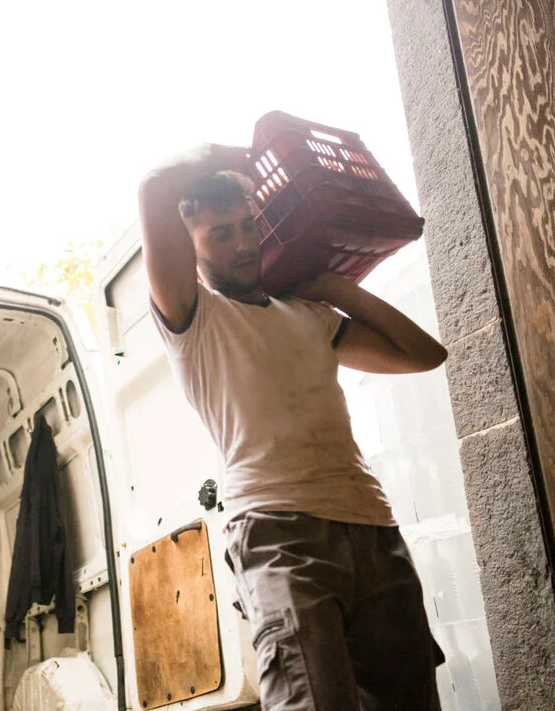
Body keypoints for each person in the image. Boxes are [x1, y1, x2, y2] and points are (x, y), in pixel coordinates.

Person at [138, 144, 448, 710]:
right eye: (219, 234)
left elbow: (425, 354)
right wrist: (237, 154)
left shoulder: (310, 316)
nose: (241, 243)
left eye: (246, 226)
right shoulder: (195, 318)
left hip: (373, 528)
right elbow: (155, 188)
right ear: (192, 249)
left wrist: (337, 290)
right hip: (278, 533)